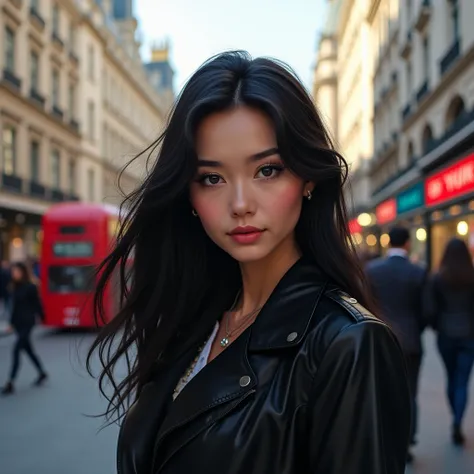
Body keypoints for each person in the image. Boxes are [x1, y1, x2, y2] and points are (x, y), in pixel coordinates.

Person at [87, 51, 411, 474]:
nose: (240, 205)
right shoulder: (194, 317)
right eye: (212, 178)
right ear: (188, 194)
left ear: (308, 178)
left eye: (268, 170)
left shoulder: (348, 344)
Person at [365, 226, 427, 462]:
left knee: (382, 390)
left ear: (388, 242)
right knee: (410, 392)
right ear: (408, 243)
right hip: (410, 341)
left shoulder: (372, 270)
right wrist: (415, 329)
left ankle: (386, 439)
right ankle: (407, 439)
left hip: (380, 339)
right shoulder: (417, 271)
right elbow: (426, 310)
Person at [424, 238, 474, 446]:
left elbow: (430, 308)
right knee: (462, 380)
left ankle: (455, 416)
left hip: (445, 335)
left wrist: (436, 326)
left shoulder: (438, 278)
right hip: (470, 335)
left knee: (451, 377)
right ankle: (457, 421)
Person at [1, 262, 48, 395]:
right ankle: (42, 373)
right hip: (18, 323)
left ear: (23, 272)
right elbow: (14, 307)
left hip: (28, 323)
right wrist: (11, 323)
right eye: (13, 271)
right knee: (28, 350)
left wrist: (42, 316)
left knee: (16, 350)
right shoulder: (14, 287)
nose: (14, 274)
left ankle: (10, 382)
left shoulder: (31, 287)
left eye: (17, 271)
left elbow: (37, 303)